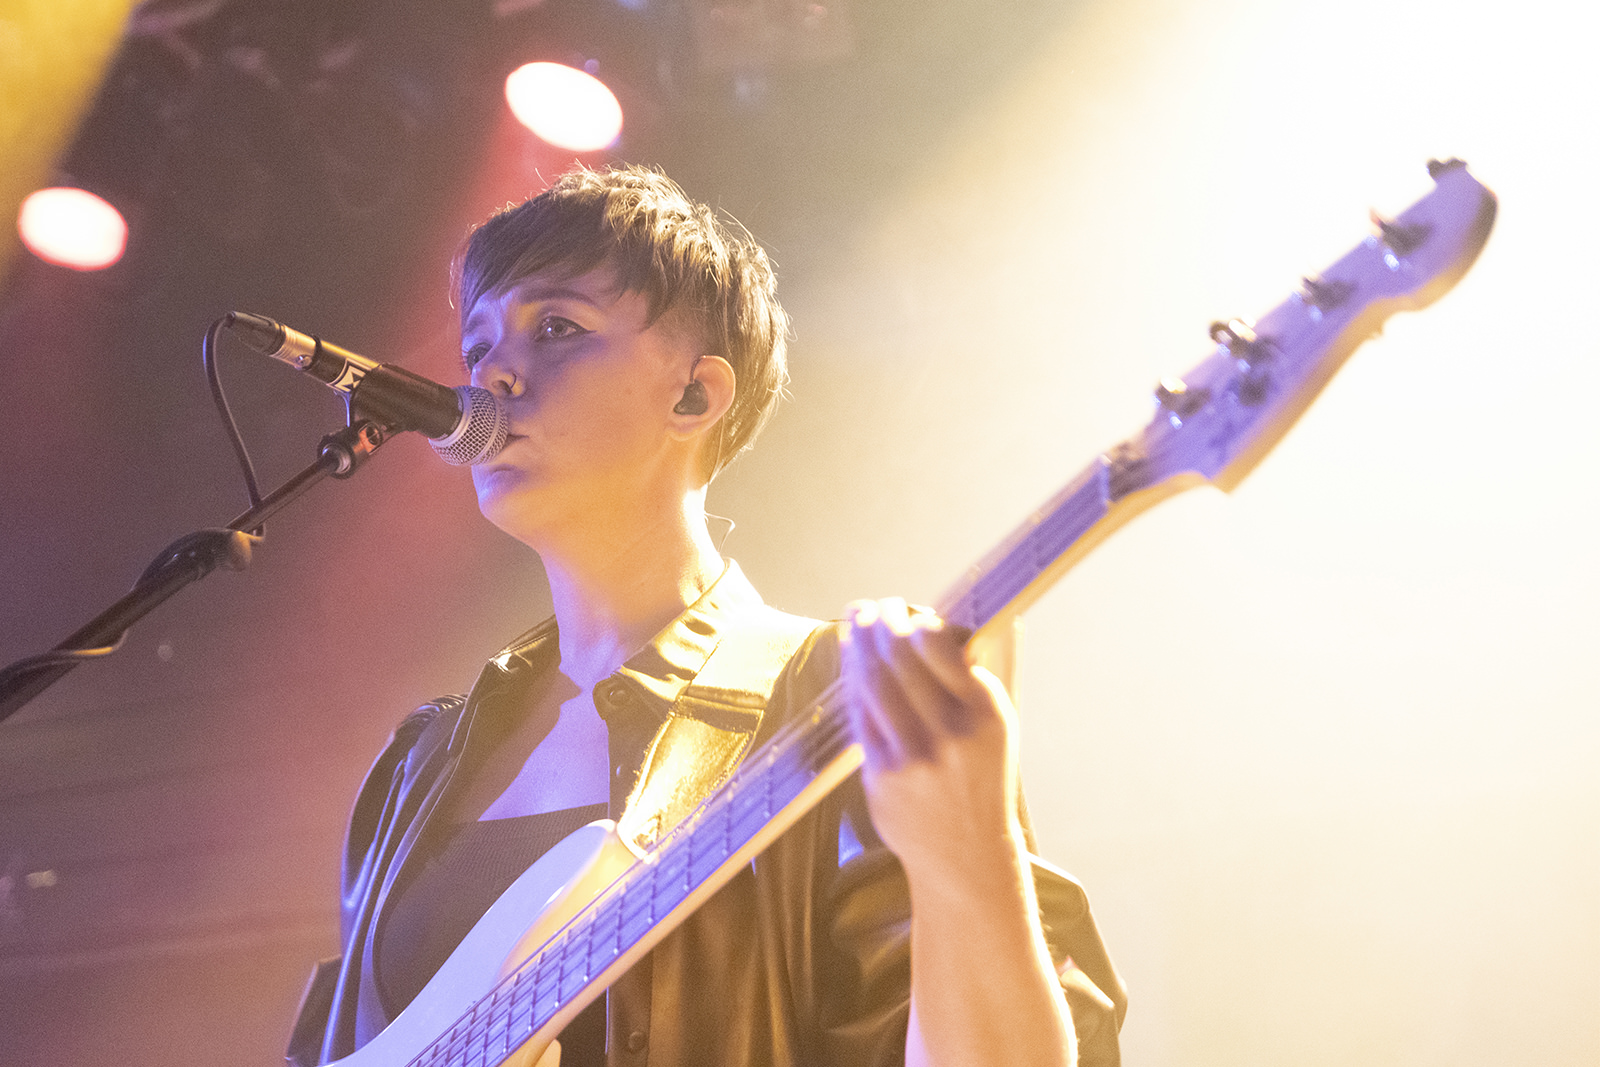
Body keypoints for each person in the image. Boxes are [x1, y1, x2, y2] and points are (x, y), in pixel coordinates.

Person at [286, 164, 1125, 1067]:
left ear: (695, 395)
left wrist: (968, 853)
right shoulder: (417, 764)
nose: (492, 374)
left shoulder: (834, 697)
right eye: (477, 346)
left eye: (557, 327)